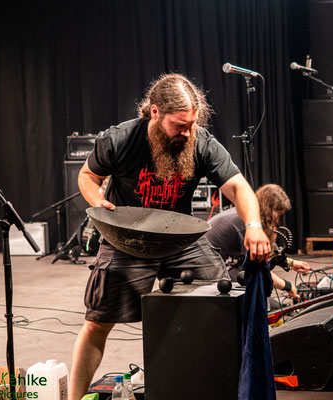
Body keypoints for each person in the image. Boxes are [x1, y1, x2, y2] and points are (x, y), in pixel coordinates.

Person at [68, 73, 271, 400]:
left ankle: (214, 389)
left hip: (179, 239)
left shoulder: (200, 142)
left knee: (224, 303)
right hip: (127, 238)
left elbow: (238, 187)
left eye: (191, 123)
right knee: (96, 323)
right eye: (179, 124)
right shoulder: (120, 139)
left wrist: (254, 225)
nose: (187, 131)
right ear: (154, 113)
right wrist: (97, 201)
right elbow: (87, 175)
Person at [206, 184, 312, 300]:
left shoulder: (248, 214)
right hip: (211, 269)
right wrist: (288, 286)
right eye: (278, 215)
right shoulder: (245, 224)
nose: (277, 220)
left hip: (225, 261)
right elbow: (259, 268)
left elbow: (270, 252)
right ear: (270, 212)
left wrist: (291, 263)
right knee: (267, 304)